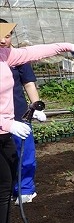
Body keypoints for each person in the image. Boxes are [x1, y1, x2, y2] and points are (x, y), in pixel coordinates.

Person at [0, 21, 74, 223]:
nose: (3, 39)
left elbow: (33, 52)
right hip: (5, 128)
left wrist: (65, 46)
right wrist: (8, 123)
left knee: (5, 186)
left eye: (7, 35)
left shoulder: (4, 56)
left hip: (5, 133)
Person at [0, 19, 44, 205]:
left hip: (19, 115)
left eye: (7, 36)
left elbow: (28, 83)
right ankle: (7, 189)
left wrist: (36, 106)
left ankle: (24, 189)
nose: (3, 40)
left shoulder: (18, 58)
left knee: (24, 154)